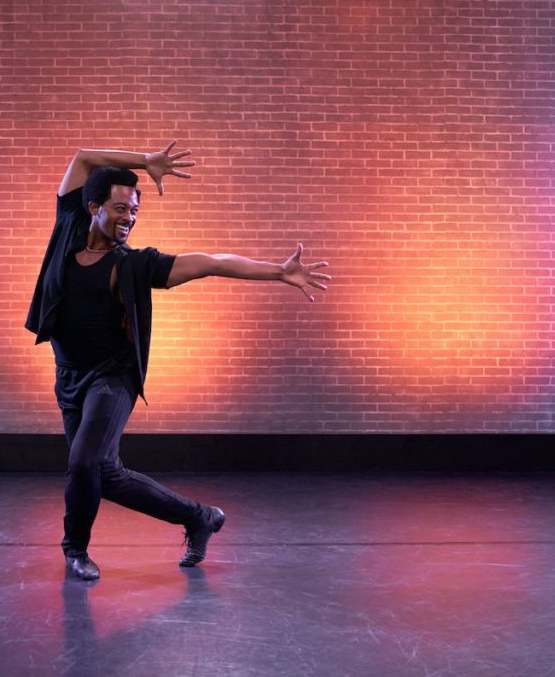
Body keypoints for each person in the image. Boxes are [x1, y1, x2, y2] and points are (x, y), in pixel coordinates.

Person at [25, 141, 332, 581]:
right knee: (103, 473)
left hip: (112, 378)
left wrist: (277, 272)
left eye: (133, 211)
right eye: (119, 209)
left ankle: (75, 550)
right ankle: (200, 517)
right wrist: (145, 162)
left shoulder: (135, 265)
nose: (128, 218)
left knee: (83, 464)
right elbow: (82, 158)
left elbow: (209, 263)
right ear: (92, 206)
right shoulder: (67, 227)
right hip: (69, 375)